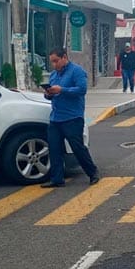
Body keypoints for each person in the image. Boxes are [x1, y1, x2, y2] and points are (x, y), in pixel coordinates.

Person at [42, 47, 100, 188]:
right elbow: (50, 95)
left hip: (72, 117)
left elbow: (81, 90)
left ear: (64, 57)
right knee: (54, 149)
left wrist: (62, 90)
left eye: (56, 61)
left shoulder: (76, 71)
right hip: (56, 118)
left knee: (77, 147)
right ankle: (57, 179)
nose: (54, 65)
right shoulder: (54, 75)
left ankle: (92, 172)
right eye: (52, 62)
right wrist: (48, 93)